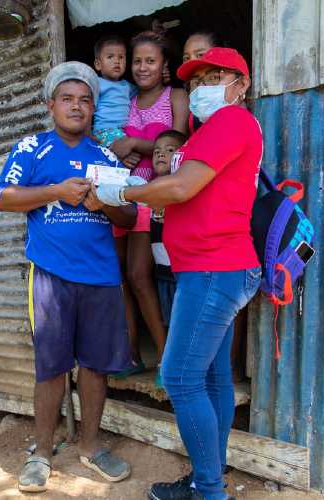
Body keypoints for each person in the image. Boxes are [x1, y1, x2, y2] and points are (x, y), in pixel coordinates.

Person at [96, 48, 263, 500]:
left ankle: (209, 491)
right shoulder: (212, 131)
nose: (202, 86)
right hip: (213, 268)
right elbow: (183, 192)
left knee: (180, 379)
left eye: (215, 76)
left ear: (241, 84)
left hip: (215, 268)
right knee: (210, 379)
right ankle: (206, 479)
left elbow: (181, 186)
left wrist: (120, 190)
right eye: (196, 81)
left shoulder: (231, 122)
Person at [0, 61, 137, 493]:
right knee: (52, 367)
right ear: (51, 104)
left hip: (101, 277)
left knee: (95, 367)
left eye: (85, 100)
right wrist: (56, 191)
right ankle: (41, 450)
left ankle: (91, 447)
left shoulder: (106, 157)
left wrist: (105, 205)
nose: (77, 106)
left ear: (94, 108)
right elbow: (2, 198)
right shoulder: (31, 149)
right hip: (51, 277)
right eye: (68, 99)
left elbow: (129, 215)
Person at [109, 30, 189, 386]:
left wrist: (133, 143)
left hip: (154, 196)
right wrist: (117, 147)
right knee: (120, 277)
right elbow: (109, 137)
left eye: (150, 61)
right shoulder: (123, 98)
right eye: (137, 60)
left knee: (141, 276)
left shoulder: (177, 95)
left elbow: (178, 143)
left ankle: (167, 362)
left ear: (165, 65)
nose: (142, 67)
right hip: (120, 192)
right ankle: (131, 354)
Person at [148, 130, 187, 330]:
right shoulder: (150, 188)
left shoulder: (183, 188)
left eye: (170, 150)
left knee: (186, 325)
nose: (161, 154)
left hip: (183, 274)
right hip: (163, 273)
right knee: (171, 324)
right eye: (156, 151)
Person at [92, 35, 136, 148]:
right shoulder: (97, 83)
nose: (116, 61)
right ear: (98, 64)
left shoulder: (127, 86)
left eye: (121, 57)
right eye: (110, 57)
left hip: (123, 131)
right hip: (104, 131)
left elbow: (145, 94)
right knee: (131, 148)